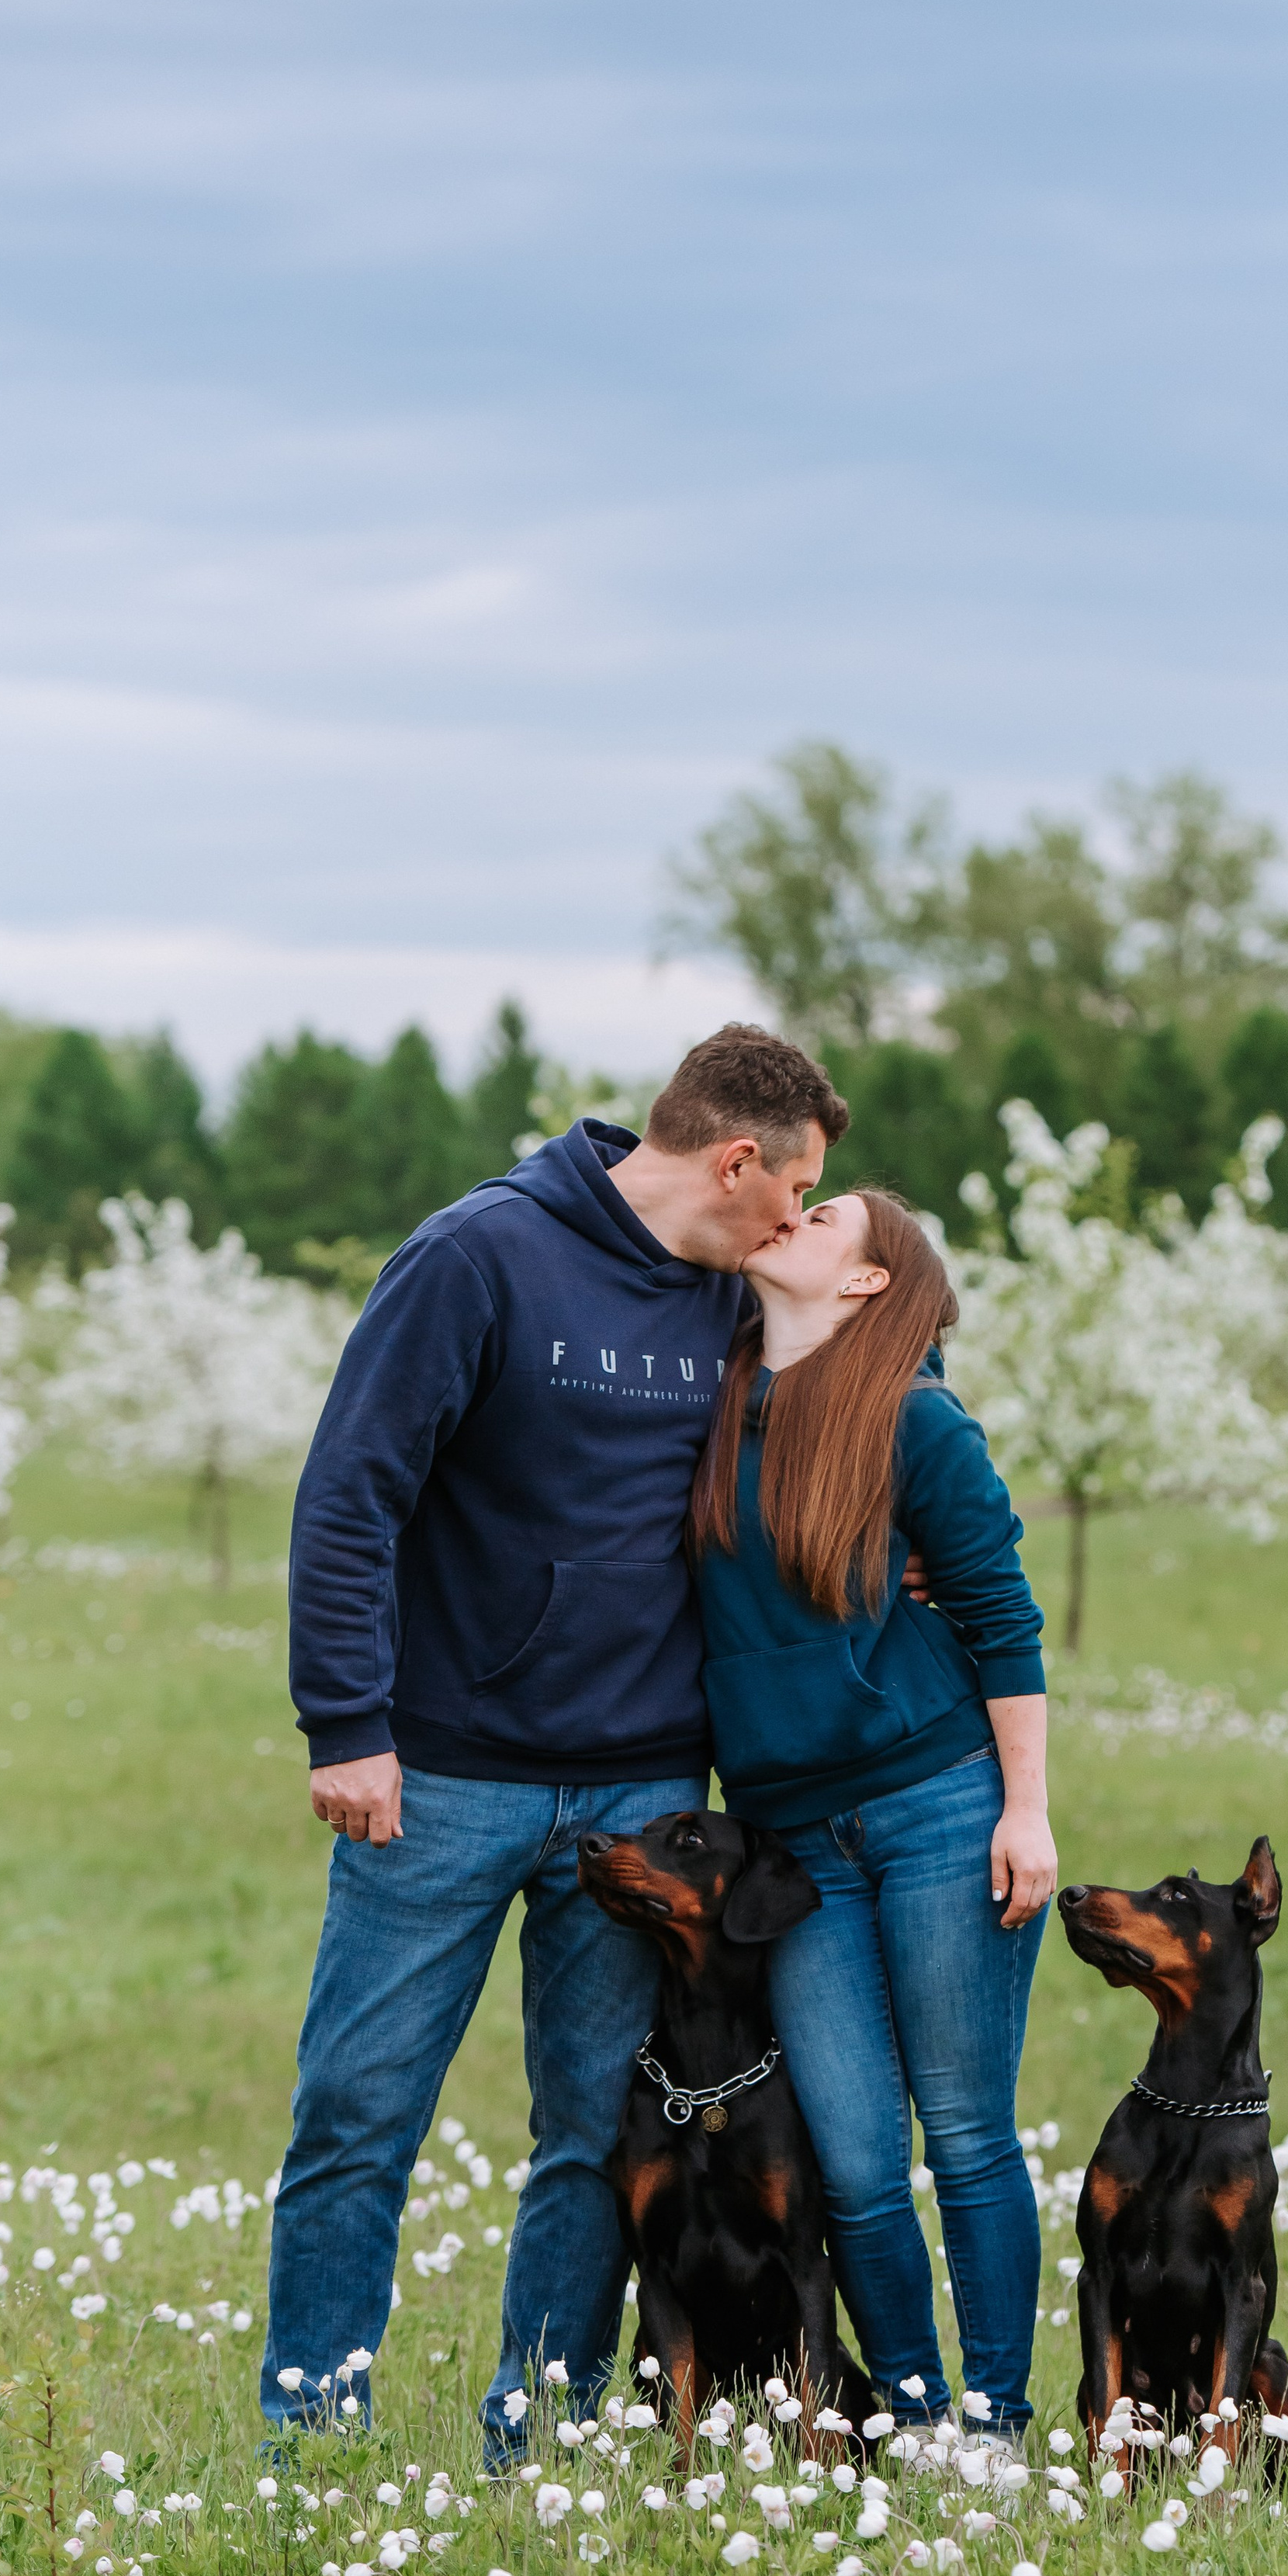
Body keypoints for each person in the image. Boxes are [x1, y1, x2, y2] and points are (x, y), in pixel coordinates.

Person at [265, 1024, 849, 2453]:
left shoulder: (735, 1298)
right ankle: (312, 2444)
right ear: (732, 1160)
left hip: (644, 1789)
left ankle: (540, 2439)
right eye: (793, 1194)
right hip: (442, 1776)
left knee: (591, 2140)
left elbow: (890, 1372)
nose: (798, 1225)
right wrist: (348, 1722)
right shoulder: (480, 1257)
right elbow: (351, 1494)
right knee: (357, 2117)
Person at [690, 1187, 1054, 2443]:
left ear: (865, 1285)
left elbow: (1005, 1621)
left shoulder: (916, 1421)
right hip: (794, 1847)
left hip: (937, 1803)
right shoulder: (709, 1403)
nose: (792, 1213)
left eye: (828, 1214)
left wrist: (1028, 1814)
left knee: (962, 2134)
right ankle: (910, 2417)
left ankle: (997, 2429)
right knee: (852, 2159)